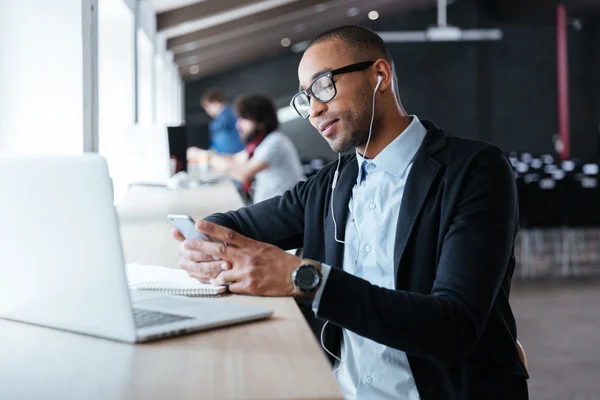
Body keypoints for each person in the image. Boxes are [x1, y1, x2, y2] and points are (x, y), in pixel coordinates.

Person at [173, 25, 529, 400]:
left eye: (323, 86)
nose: (314, 111)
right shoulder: (331, 183)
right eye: (305, 98)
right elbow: (234, 225)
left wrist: (305, 278)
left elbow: (454, 327)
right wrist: (204, 247)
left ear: (380, 75)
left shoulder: (475, 170)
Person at [207, 93, 306, 204]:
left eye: (243, 119)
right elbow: (235, 159)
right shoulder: (258, 143)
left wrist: (219, 164)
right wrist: (209, 157)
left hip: (283, 209)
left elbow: (244, 174)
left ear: (260, 121)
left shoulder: (274, 142)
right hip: (270, 206)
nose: (238, 125)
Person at [201, 89, 245, 154]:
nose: (207, 111)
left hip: (233, 154)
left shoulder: (228, 112)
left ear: (215, 102)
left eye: (208, 107)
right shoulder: (224, 115)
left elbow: (215, 127)